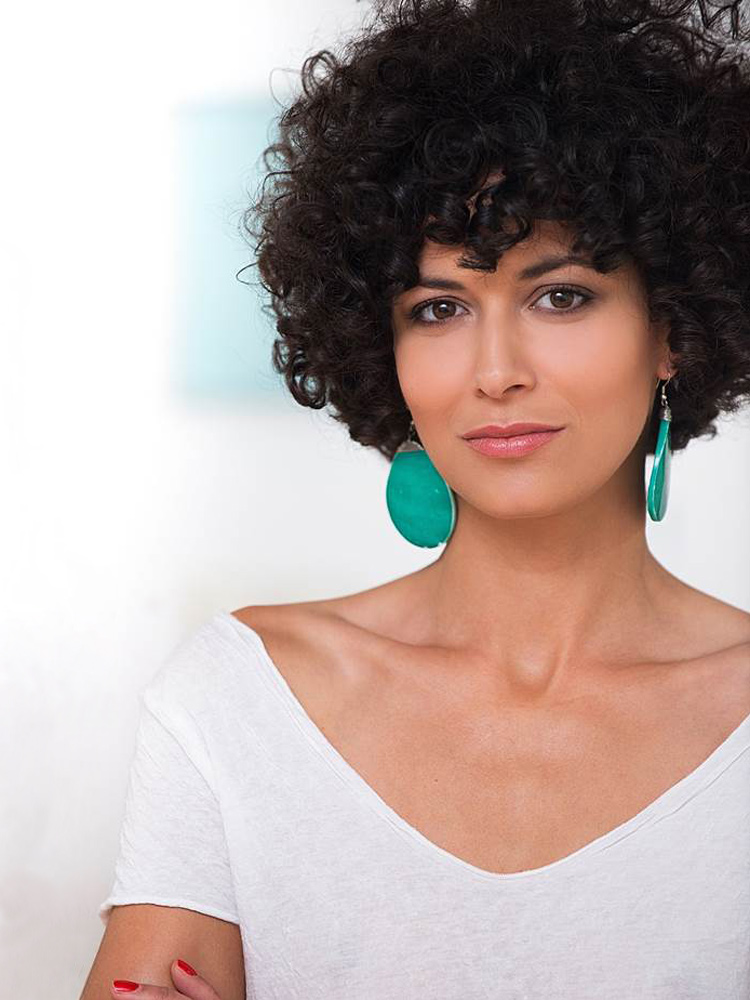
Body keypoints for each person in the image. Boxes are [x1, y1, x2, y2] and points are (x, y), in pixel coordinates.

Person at [83, 1, 750, 997]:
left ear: (673, 331)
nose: (496, 370)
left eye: (561, 294)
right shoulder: (240, 701)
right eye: (439, 308)